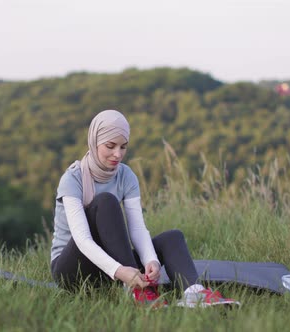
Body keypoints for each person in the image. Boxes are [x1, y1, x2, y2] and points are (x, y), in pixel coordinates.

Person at [50, 110, 240, 307]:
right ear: (94, 141)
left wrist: (151, 260)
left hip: (111, 268)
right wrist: (121, 271)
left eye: (123, 147)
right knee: (106, 201)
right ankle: (137, 291)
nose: (118, 154)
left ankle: (193, 293)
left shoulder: (126, 176)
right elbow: (82, 240)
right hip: (72, 269)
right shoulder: (73, 178)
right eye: (110, 146)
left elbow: (137, 229)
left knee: (172, 237)